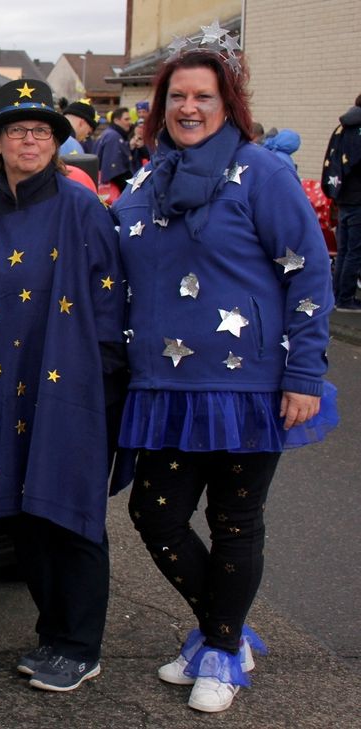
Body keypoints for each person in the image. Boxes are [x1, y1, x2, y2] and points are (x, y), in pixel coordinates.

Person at [110, 30, 336, 713]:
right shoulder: (151, 174)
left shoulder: (260, 170)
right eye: (177, 95)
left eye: (203, 96)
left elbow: (309, 271)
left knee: (236, 519)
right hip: (164, 384)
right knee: (155, 514)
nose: (188, 107)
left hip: (247, 385)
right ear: (161, 104)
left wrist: (304, 370)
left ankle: (220, 647)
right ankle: (224, 633)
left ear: (226, 102)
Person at [0, 78, 126, 693]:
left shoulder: (80, 206)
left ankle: (79, 645)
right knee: (22, 515)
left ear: (56, 142)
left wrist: (106, 378)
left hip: (68, 384)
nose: (28, 140)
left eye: (40, 130)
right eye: (17, 130)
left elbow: (108, 299)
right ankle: (52, 634)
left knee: (69, 512)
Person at [322, 92, 361, 312]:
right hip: (358, 199)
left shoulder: (344, 128)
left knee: (345, 249)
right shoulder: (360, 130)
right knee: (354, 251)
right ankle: (345, 299)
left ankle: (337, 295)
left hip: (344, 197)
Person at [94, 106, 134, 190]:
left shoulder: (111, 133)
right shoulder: (113, 137)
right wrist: (130, 189)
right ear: (116, 120)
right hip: (114, 189)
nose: (130, 122)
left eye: (129, 119)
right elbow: (114, 171)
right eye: (126, 119)